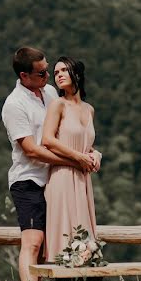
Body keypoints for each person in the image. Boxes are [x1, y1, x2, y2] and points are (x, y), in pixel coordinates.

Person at [1, 47, 96, 281]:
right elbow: (32, 150)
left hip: (55, 179)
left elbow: (68, 136)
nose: (48, 76)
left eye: (48, 70)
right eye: (42, 73)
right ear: (24, 74)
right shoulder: (14, 105)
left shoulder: (51, 93)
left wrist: (88, 155)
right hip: (28, 179)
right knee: (33, 241)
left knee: (51, 244)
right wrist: (74, 160)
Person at [42, 56, 101, 263]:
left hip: (83, 179)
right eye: (56, 72)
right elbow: (47, 139)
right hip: (63, 176)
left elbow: (84, 142)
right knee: (66, 236)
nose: (58, 75)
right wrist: (78, 157)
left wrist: (95, 154)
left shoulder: (89, 109)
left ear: (76, 73)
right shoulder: (58, 105)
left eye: (63, 71)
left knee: (84, 238)